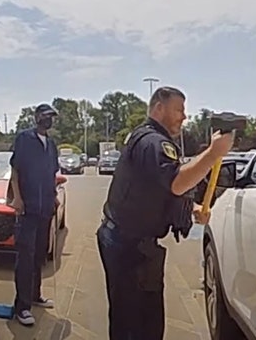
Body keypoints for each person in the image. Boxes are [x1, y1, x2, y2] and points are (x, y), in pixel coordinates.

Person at [97, 86, 234, 340]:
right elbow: (175, 182)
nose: (184, 116)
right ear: (159, 108)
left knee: (136, 321)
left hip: (127, 241)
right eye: (179, 110)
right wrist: (214, 153)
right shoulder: (152, 142)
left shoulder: (148, 139)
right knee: (137, 325)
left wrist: (192, 208)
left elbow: (157, 190)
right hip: (129, 246)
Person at [8, 103, 61, 326]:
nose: (49, 120)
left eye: (52, 117)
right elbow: (15, 170)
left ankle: (35, 296)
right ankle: (22, 307)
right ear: (37, 117)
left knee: (39, 255)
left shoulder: (51, 145)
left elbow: (51, 175)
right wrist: (17, 198)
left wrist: (54, 196)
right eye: (46, 116)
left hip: (45, 208)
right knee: (26, 257)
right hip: (27, 208)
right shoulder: (25, 139)